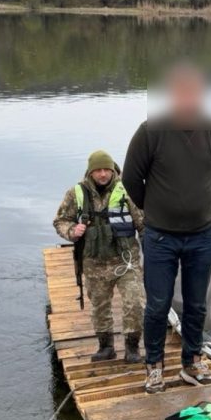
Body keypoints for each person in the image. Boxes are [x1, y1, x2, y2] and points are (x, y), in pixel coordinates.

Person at [123, 64, 211, 393]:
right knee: (158, 304)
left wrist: (201, 199)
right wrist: (159, 208)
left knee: (196, 303)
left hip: (201, 236)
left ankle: (192, 362)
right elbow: (131, 179)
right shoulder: (150, 131)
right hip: (160, 236)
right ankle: (154, 365)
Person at [54, 150, 144, 363]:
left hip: (125, 260)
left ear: (113, 170)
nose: (103, 174)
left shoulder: (128, 190)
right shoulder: (76, 193)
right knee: (100, 306)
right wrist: (71, 231)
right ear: (90, 172)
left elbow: (143, 223)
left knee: (134, 302)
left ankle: (132, 347)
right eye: (98, 170)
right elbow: (60, 221)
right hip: (94, 263)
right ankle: (106, 347)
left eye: (107, 170)